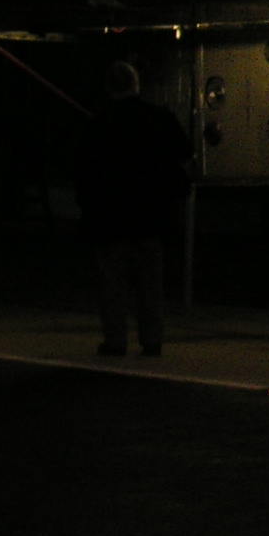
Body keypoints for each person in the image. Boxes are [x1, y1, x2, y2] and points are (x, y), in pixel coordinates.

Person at [75, 61, 192, 358]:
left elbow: (85, 172)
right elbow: (184, 151)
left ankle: (115, 341)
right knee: (150, 283)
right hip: (151, 215)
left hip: (110, 218)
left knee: (112, 284)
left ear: (109, 89)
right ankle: (152, 339)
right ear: (136, 84)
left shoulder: (100, 124)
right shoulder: (158, 117)